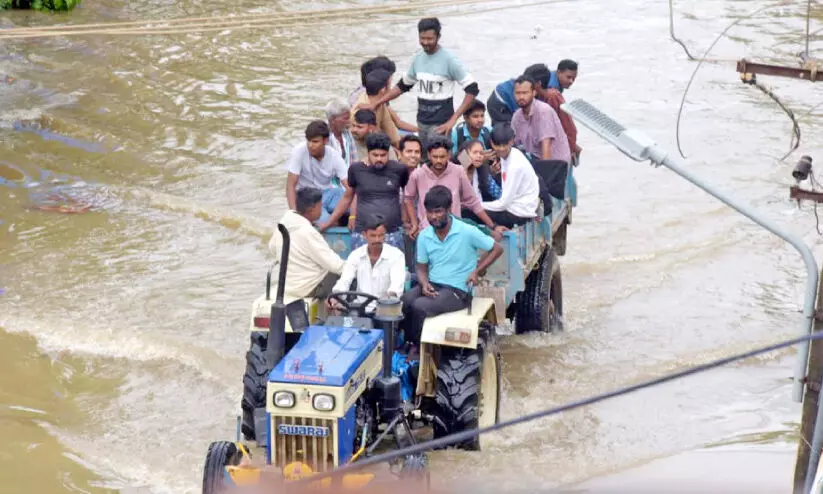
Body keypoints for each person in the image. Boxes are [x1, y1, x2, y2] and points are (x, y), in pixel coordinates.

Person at [401, 185, 503, 348]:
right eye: (430, 212)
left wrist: (477, 271)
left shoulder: (467, 231)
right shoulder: (424, 236)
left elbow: (497, 249)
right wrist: (424, 283)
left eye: (438, 211)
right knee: (404, 301)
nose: (433, 217)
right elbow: (421, 267)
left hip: (458, 291)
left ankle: (417, 348)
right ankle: (402, 345)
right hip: (434, 285)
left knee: (419, 306)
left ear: (449, 209)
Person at [358, 18, 480, 153]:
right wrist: (377, 103)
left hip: (441, 124)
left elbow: (472, 89)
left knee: (438, 158)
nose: (425, 42)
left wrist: (453, 120)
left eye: (430, 39)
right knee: (422, 158)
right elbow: (402, 86)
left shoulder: (449, 60)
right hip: (422, 122)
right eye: (422, 38)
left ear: (438, 37)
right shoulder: (418, 59)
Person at [320, 132, 409, 252]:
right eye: (375, 155)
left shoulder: (399, 169)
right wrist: (329, 222)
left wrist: (406, 220)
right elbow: (347, 197)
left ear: (388, 153)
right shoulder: (356, 169)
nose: (379, 159)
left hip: (392, 232)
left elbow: (407, 196)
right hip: (363, 233)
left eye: (383, 155)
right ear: (368, 153)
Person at [404, 135, 503, 239]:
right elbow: (408, 198)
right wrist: (414, 224)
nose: (438, 160)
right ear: (428, 155)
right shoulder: (418, 175)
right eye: (435, 157)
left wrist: (493, 226)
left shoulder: (458, 171)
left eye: (442, 157)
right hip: (427, 232)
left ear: (449, 155)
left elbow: (472, 201)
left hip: (454, 232)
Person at [269, 187, 345, 299]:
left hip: (289, 285)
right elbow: (334, 264)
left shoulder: (283, 223)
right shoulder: (308, 232)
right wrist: (354, 269)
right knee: (345, 278)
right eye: (320, 206)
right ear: (311, 210)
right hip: (308, 287)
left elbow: (272, 248)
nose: (322, 209)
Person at [328, 214, 406, 312]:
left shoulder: (396, 255)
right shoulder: (355, 255)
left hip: (386, 310)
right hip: (359, 308)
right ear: (364, 235)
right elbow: (345, 280)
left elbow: (396, 286)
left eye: (381, 235)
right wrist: (336, 297)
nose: (377, 240)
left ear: (385, 234)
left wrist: (388, 299)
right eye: (373, 236)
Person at [285, 120, 349, 225]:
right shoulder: (299, 151)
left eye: (315, 142)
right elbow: (290, 185)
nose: (310, 145)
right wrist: (294, 213)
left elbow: (349, 186)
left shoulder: (334, 156)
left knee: (343, 196)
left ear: (326, 141)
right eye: (308, 141)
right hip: (306, 197)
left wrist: (354, 214)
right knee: (326, 222)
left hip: (327, 193)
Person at [478, 125, 540, 228]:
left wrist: (476, 205)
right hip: (520, 207)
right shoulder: (511, 153)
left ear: (511, 142)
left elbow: (503, 204)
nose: (501, 149)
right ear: (492, 143)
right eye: (498, 145)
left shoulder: (514, 165)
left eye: (504, 145)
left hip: (518, 213)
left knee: (471, 212)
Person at [524, 63, 580, 160]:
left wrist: (570, 149)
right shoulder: (549, 93)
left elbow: (567, 127)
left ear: (538, 84)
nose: (571, 81)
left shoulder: (552, 97)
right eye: (568, 77)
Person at [349, 55, 417, 133]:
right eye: (390, 79)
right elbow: (398, 123)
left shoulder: (368, 91)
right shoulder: (376, 96)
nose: (391, 87)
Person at [510, 75, 571, 164]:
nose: (521, 97)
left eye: (525, 93)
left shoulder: (543, 111)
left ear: (534, 92)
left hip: (556, 162)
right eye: (518, 93)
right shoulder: (517, 116)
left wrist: (544, 170)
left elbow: (546, 146)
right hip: (535, 159)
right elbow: (513, 143)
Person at [352, 69, 402, 149]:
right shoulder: (361, 110)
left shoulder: (381, 105)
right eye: (390, 86)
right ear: (383, 90)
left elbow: (393, 137)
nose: (391, 90)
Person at [325, 98, 358, 168]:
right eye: (346, 118)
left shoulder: (347, 133)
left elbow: (353, 158)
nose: (349, 121)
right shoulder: (322, 135)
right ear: (333, 119)